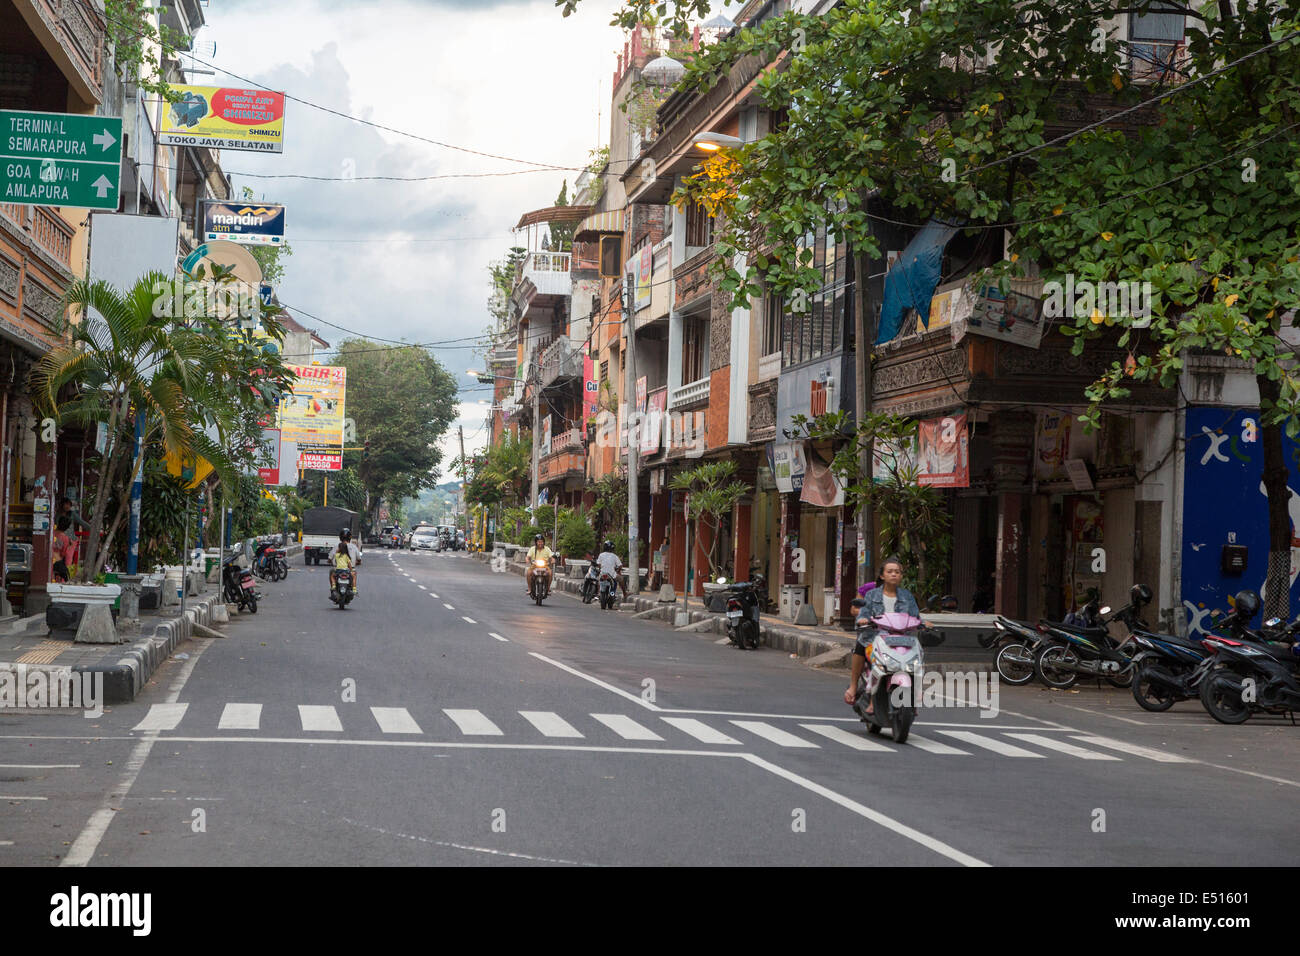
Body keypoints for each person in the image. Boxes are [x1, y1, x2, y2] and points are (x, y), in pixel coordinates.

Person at [845, 556, 921, 714]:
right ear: (882, 575)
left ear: (901, 576)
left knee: (916, 660)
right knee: (862, 645)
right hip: (876, 636)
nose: (894, 574)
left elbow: (915, 616)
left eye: (897, 572)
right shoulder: (872, 595)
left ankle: (912, 699)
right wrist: (863, 620)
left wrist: (923, 623)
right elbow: (862, 613)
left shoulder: (907, 596)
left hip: (901, 638)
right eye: (890, 571)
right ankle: (855, 688)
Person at [52, 515, 72, 583]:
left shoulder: (51, 533)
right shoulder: (65, 538)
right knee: (66, 575)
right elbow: (63, 553)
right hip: (57, 561)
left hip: (48, 559)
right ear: (67, 527)